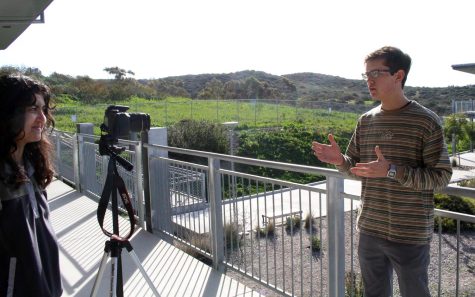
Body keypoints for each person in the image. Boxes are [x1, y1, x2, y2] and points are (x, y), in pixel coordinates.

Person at [311, 46, 452, 297]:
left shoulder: (426, 121)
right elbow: (357, 170)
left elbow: (440, 177)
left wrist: (392, 171)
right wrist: (339, 161)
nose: (369, 81)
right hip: (370, 230)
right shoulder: (365, 120)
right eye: (366, 75)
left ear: (399, 75)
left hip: (409, 234)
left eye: (376, 73)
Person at [0, 74, 62, 297]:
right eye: (33, 109)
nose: (42, 118)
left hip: (47, 287)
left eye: (44, 109)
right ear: (8, 112)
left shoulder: (31, 165)